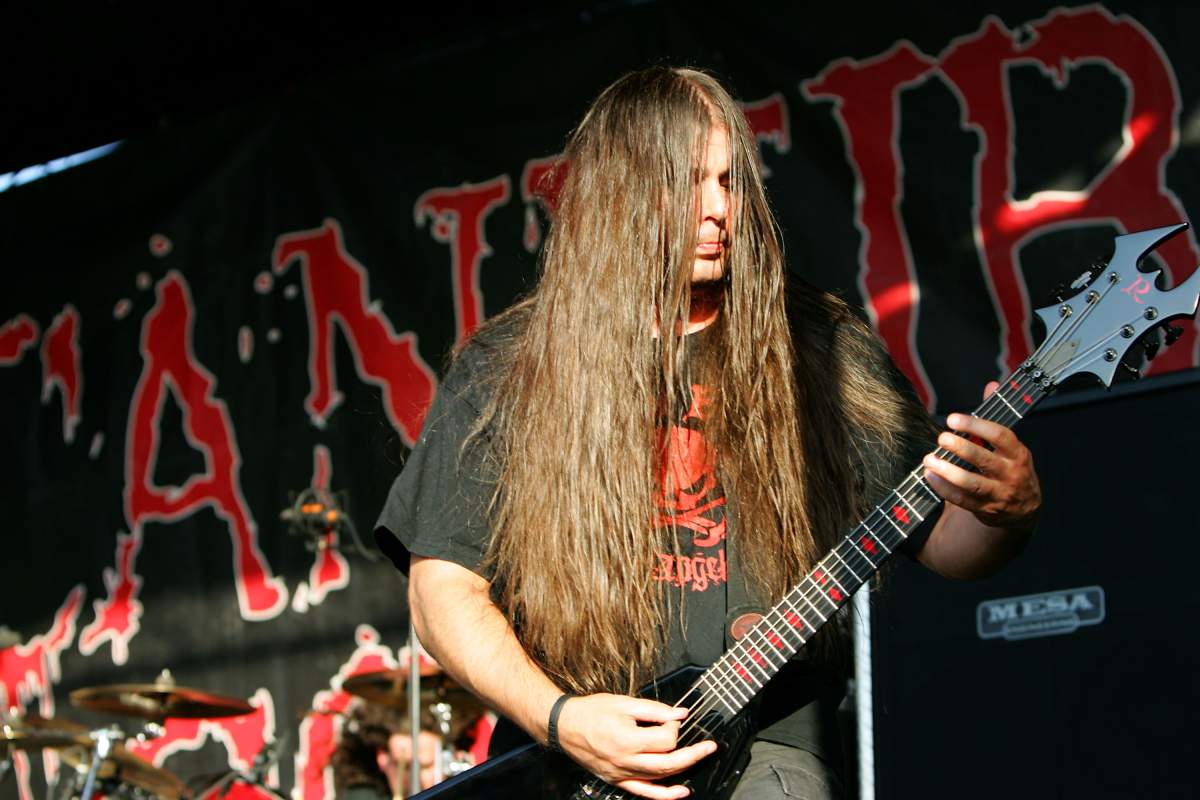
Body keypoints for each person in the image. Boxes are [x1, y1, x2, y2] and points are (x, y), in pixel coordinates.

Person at [374, 66, 1040, 800]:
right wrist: (561, 719)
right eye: (691, 182)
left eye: (730, 182)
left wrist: (1003, 512)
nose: (720, 208)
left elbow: (948, 544)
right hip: (565, 757)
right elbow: (442, 593)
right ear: (620, 193)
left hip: (768, 741)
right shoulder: (509, 366)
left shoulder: (820, 348)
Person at [331, 700, 444, 799]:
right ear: (382, 759)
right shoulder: (360, 796)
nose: (416, 778)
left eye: (425, 766)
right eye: (405, 767)